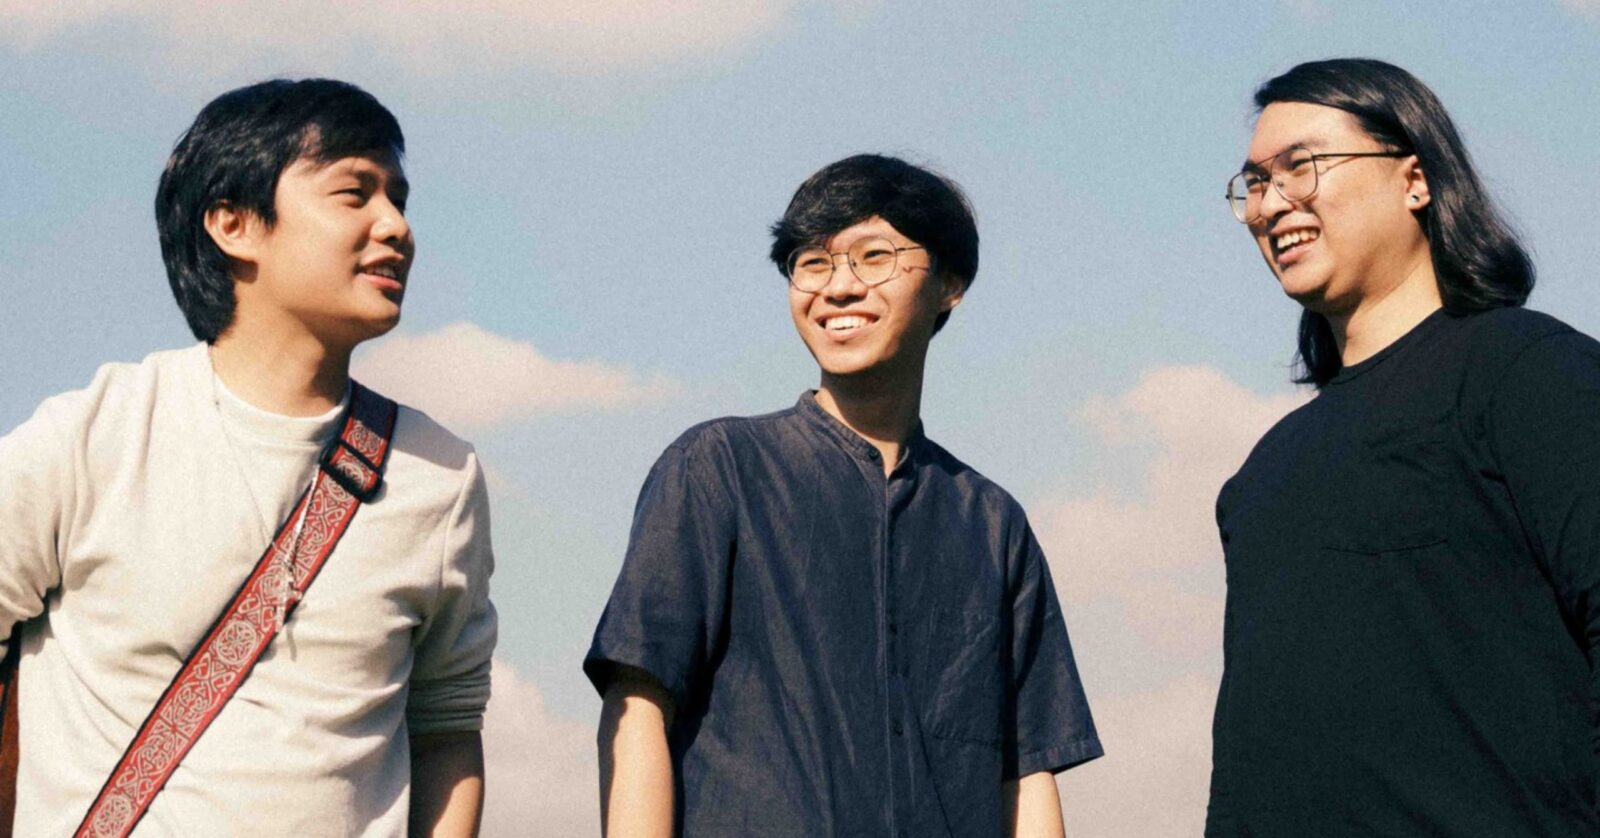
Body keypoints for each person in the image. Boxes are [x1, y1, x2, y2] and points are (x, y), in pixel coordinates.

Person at [0, 79, 497, 836]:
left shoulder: (440, 475)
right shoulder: (98, 433)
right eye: (354, 193)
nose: (395, 226)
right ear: (234, 224)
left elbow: (448, 730)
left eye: (399, 199)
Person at [585, 154, 1102, 837]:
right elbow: (638, 704)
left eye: (874, 256)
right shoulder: (718, 468)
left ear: (950, 283)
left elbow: (1027, 773)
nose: (838, 287)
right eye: (812, 263)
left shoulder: (994, 525)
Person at [1209, 58, 1600, 835]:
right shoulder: (1260, 474)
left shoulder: (1527, 372)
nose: (1269, 204)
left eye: (1300, 167)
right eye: (1254, 183)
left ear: (1414, 179)